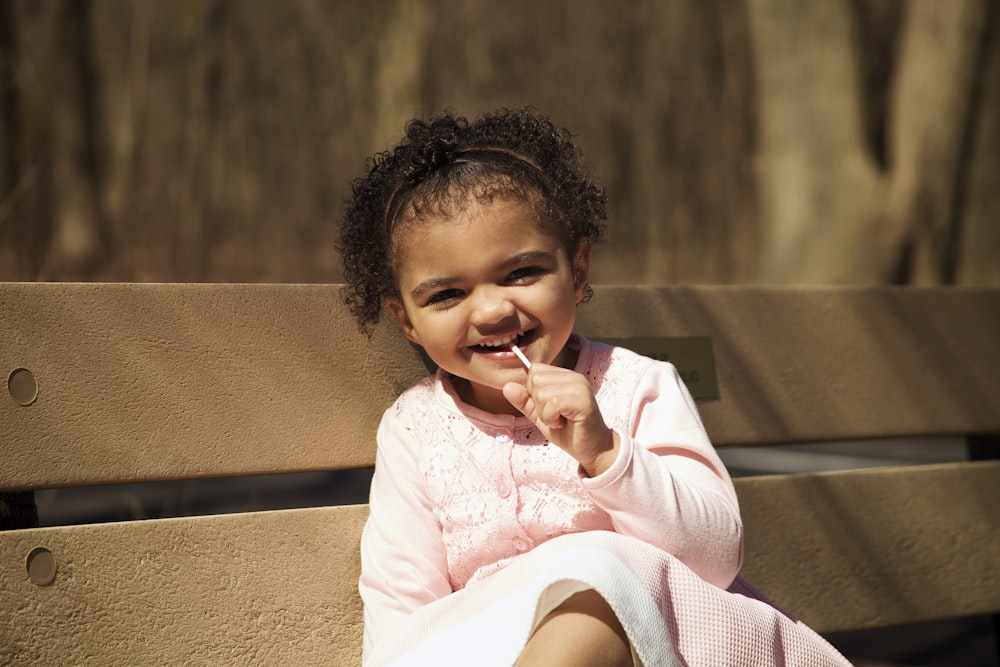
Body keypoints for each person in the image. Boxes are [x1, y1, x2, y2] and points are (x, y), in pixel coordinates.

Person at [338, 107, 850, 666]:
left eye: (521, 274)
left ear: (578, 271)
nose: (491, 310)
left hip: (648, 645)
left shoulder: (636, 387)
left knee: (594, 585)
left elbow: (717, 557)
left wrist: (606, 453)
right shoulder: (414, 430)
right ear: (406, 319)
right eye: (446, 296)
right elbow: (404, 616)